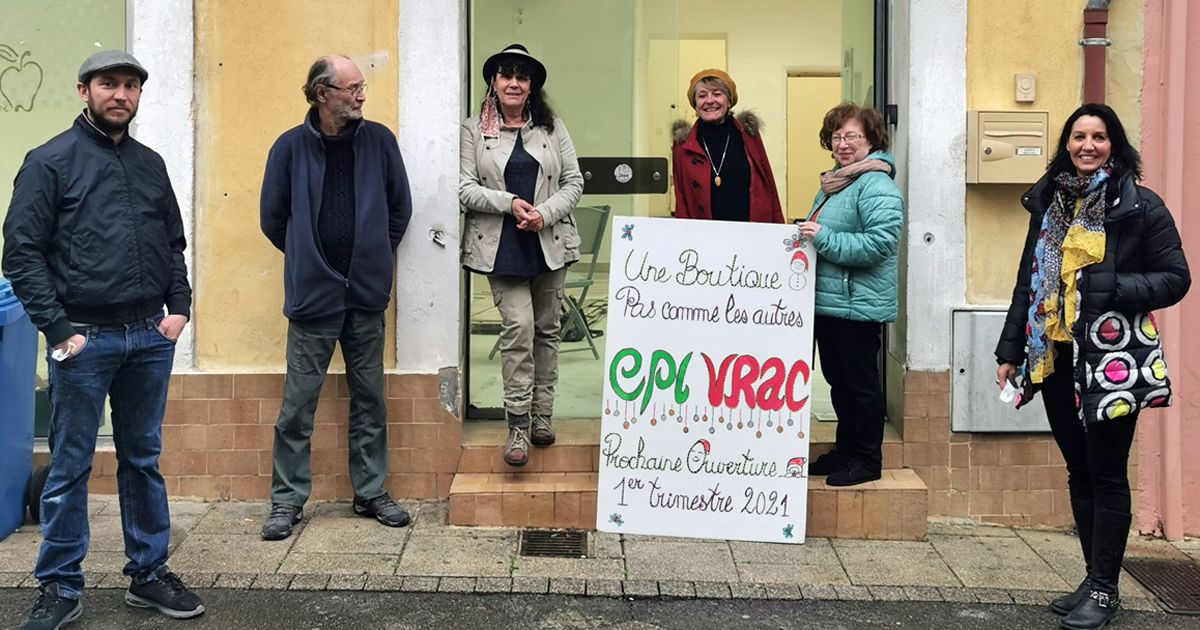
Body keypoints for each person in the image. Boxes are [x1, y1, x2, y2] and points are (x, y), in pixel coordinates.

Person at [3, 50, 204, 629]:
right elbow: (21, 254)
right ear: (83, 90)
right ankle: (60, 587)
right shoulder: (49, 163)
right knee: (69, 465)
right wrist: (60, 331)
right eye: (108, 84)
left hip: (149, 335)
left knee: (142, 460)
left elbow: (172, 244)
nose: (121, 94)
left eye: (130, 86)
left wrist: (180, 310)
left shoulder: (150, 163)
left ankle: (148, 575)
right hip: (84, 339)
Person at [995, 103, 1189, 630]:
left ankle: (1105, 590)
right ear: (1067, 144)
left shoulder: (1140, 206)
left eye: (1099, 137)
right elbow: (1028, 283)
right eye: (1078, 137)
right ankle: (1092, 575)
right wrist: (1010, 349)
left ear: (1115, 144)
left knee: (1106, 474)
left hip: (1113, 362)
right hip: (1057, 357)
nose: (1087, 146)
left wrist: (1114, 288)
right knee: (1078, 469)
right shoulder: (1050, 204)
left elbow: (1176, 277)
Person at [259, 54, 413, 540]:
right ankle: (286, 501)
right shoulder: (289, 148)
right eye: (352, 88)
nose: (361, 95)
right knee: (297, 406)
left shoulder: (380, 141)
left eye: (362, 86)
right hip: (313, 297)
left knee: (370, 399)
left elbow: (399, 208)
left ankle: (370, 492)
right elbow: (273, 219)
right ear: (322, 93)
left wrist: (370, 253)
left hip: (366, 294)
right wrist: (309, 255)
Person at [459, 44, 583, 466]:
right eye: (506, 75)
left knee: (548, 330)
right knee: (519, 329)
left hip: (547, 242)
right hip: (501, 247)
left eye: (522, 77)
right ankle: (516, 424)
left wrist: (544, 214)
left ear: (532, 87)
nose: (514, 83)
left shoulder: (553, 128)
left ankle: (543, 417)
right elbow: (465, 187)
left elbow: (574, 182)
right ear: (493, 82)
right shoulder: (474, 129)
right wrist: (510, 202)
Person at [795, 103, 904, 487]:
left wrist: (821, 237)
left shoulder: (876, 184)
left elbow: (880, 243)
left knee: (860, 386)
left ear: (872, 139)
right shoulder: (839, 183)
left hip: (857, 306)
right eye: (837, 136)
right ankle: (846, 451)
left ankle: (867, 460)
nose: (843, 144)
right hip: (833, 304)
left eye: (852, 136)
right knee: (839, 384)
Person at [671, 69, 783, 223]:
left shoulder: (748, 135)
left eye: (717, 94)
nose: (710, 101)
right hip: (705, 236)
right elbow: (681, 196)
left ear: (729, 101)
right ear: (695, 105)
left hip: (751, 232)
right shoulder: (684, 144)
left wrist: (778, 231)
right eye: (702, 96)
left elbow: (769, 186)